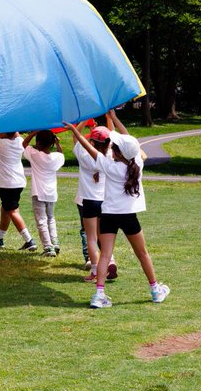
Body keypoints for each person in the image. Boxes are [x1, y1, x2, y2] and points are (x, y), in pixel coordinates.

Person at [67, 111, 168, 308]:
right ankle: (155, 290)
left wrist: (75, 131)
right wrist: (113, 118)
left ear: (118, 152)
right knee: (142, 254)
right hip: (129, 216)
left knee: (105, 254)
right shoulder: (137, 163)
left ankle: (99, 295)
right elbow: (131, 139)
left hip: (108, 216)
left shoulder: (108, 165)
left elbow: (89, 149)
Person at [72, 121, 117, 281]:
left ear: (91, 142)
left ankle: (95, 271)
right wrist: (110, 117)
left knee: (91, 237)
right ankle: (110, 260)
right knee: (103, 236)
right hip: (105, 201)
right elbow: (111, 135)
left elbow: (75, 136)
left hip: (89, 201)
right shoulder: (111, 155)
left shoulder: (84, 155)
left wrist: (85, 119)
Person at [0, 133, 36, 251]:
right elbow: (15, 134)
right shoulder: (19, 141)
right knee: (5, 208)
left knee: (12, 211)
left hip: (7, 184)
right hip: (18, 182)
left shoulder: (0, 144)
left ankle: (29, 240)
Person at [22, 130, 67, 257]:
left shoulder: (35, 154)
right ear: (52, 143)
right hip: (52, 193)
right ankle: (55, 242)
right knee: (50, 218)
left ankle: (48, 247)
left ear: (38, 142)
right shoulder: (56, 157)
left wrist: (33, 132)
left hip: (38, 192)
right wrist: (58, 144)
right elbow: (61, 154)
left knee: (41, 220)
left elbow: (24, 144)